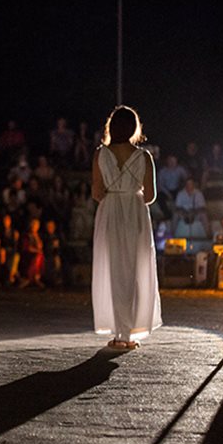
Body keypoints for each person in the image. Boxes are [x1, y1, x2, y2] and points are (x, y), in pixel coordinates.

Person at [91, 105, 162, 350]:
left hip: (110, 211)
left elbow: (96, 192)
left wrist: (114, 197)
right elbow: (151, 195)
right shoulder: (144, 157)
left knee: (114, 269)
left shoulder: (101, 154)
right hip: (135, 211)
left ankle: (119, 331)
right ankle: (128, 331)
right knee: (133, 270)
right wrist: (130, 194)